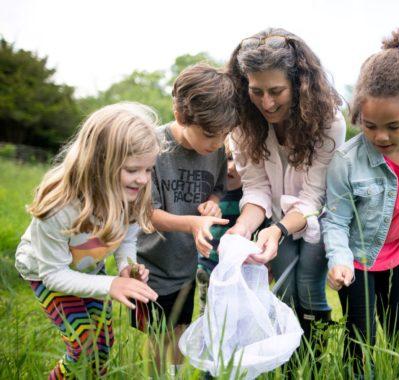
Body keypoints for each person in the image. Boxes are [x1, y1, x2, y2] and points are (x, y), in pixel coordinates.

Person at [322, 29, 399, 377]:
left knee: (397, 325)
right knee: (361, 334)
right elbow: (335, 220)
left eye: (394, 126)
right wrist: (340, 261)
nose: (381, 137)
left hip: (397, 254)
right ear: (359, 114)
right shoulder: (346, 161)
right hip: (357, 260)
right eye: (370, 125)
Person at [14, 102, 161, 379]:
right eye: (132, 169)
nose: (143, 180)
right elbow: (54, 274)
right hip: (47, 272)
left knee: (103, 346)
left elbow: (127, 237)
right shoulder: (59, 206)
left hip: (90, 270)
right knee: (83, 346)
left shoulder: (132, 193)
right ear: (99, 162)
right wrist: (111, 284)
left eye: (149, 169)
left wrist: (125, 267)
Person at [226, 27, 346, 336]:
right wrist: (242, 229)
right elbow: (256, 190)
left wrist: (277, 231)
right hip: (275, 222)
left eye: (276, 91)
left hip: (319, 218)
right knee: (283, 292)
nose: (266, 104)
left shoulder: (329, 122)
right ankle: (290, 362)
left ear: (299, 84)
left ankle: (313, 362)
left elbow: (313, 197)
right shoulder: (243, 124)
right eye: (256, 91)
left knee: (307, 287)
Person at [133, 63, 239, 375]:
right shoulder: (151, 147)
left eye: (224, 135)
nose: (218, 144)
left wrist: (212, 205)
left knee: (179, 331)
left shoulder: (216, 150)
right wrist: (192, 223)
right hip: (149, 265)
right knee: (156, 338)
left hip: (184, 265)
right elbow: (145, 214)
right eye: (210, 135)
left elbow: (218, 189)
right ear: (182, 116)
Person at [195, 137, 244, 314]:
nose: (231, 167)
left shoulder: (247, 199)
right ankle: (206, 335)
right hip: (207, 264)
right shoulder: (209, 193)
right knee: (207, 309)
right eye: (228, 158)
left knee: (231, 310)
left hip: (235, 268)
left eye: (239, 162)